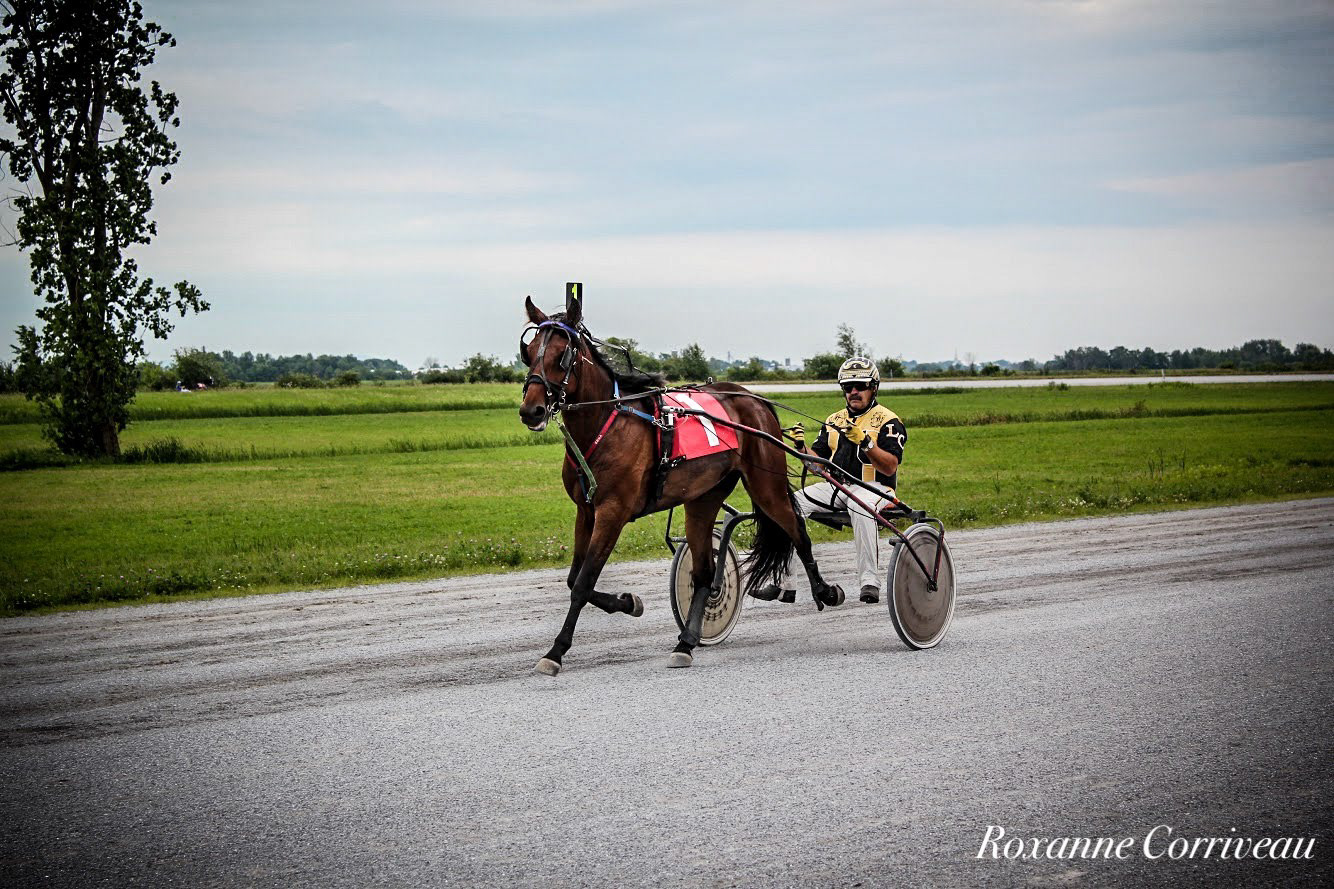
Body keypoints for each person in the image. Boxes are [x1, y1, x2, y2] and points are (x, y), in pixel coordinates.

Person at [752, 356, 908, 605]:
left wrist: (866, 442)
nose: (854, 392)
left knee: (859, 504)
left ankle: (869, 582)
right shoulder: (834, 420)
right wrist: (801, 446)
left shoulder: (889, 421)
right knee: (787, 506)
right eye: (848, 387)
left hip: (876, 488)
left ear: (874, 387)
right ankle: (784, 585)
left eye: (860, 386)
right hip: (838, 486)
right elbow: (817, 466)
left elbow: (890, 465)